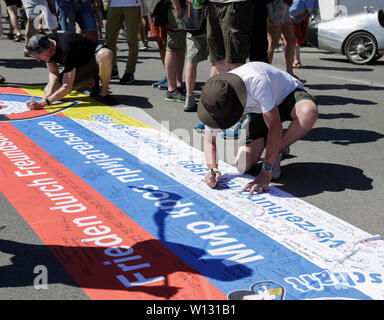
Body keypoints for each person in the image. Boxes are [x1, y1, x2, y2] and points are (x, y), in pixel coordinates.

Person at [197, 61, 318, 194]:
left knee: (308, 113)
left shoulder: (255, 80)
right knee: (243, 166)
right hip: (259, 111)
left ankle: (279, 148)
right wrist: (212, 169)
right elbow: (209, 140)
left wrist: (266, 172)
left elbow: (275, 127)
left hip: (287, 97)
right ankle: (274, 147)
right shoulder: (212, 100)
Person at [25, 32, 115, 109]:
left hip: (96, 62)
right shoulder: (48, 42)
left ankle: (104, 92)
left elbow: (66, 86)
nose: (38, 60)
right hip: (79, 65)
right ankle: (90, 81)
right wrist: (46, 97)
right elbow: (53, 72)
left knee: (105, 54)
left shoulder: (66, 48)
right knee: (53, 92)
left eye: (39, 56)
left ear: (49, 49)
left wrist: (44, 103)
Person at [206, 0, 254, 76]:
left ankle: (236, 87)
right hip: (213, 5)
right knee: (218, 60)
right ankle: (217, 87)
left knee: (235, 62)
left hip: (234, 4)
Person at [103, 0, 141, 84]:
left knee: (132, 40)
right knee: (109, 39)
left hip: (132, 4)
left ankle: (129, 72)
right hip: (114, 4)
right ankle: (113, 69)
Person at [164, 0, 187, 103]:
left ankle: (178, 86)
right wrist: (177, 6)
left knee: (180, 47)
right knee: (172, 47)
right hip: (176, 8)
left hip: (181, 7)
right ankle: (171, 89)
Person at [266, 0, 296, 76]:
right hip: (276, 4)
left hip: (284, 4)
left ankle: (290, 74)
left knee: (291, 40)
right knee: (273, 42)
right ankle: (265, 74)